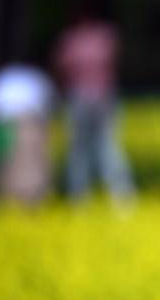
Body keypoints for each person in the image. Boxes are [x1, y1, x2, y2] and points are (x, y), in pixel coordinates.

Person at [54, 17, 134, 200]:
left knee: (86, 149)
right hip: (102, 97)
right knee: (103, 147)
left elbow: (61, 67)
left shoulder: (71, 39)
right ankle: (120, 195)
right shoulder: (105, 36)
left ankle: (80, 196)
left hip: (82, 98)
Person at [0, 64, 54, 204]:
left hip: (4, 122)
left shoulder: (2, 78)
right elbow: (48, 102)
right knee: (34, 162)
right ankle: (33, 198)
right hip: (30, 122)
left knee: (7, 163)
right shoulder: (35, 77)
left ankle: (12, 198)